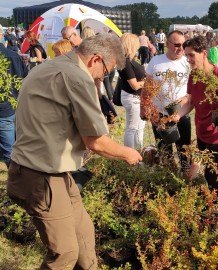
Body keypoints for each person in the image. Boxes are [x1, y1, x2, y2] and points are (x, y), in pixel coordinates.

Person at [7, 34, 142, 269]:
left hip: (51, 172)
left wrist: (97, 85)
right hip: (41, 176)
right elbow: (96, 141)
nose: (104, 76)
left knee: (84, 237)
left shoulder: (53, 65)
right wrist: (128, 153)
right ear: (95, 59)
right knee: (65, 253)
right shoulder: (77, 77)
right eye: (106, 71)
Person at [174, 35, 218, 198]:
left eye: (191, 55)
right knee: (201, 168)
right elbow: (191, 102)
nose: (188, 59)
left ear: (204, 53)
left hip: (216, 135)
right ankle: (203, 200)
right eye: (186, 55)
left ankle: (214, 208)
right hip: (201, 131)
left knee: (210, 173)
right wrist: (177, 116)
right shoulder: (194, 75)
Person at [141, 30, 191, 173]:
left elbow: (194, 90)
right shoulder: (156, 61)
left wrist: (187, 98)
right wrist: (143, 108)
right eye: (176, 44)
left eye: (183, 44)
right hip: (159, 114)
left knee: (184, 150)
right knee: (164, 151)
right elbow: (147, 87)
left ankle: (186, 179)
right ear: (167, 44)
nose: (180, 48)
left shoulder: (188, 63)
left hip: (181, 114)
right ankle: (169, 177)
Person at [0, 26, 28, 167]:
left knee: (10, 150)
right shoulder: (13, 56)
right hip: (9, 106)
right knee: (11, 150)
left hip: (6, 108)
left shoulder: (12, 55)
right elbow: (25, 80)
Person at [118, 33, 146, 150]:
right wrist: (147, 82)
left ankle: (138, 153)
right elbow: (134, 85)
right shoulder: (126, 62)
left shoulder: (129, 61)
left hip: (136, 97)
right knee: (132, 128)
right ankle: (130, 155)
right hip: (132, 97)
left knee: (139, 126)